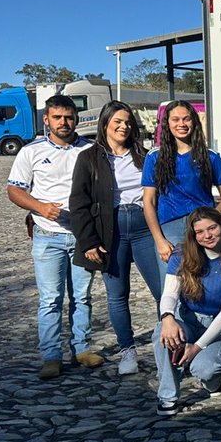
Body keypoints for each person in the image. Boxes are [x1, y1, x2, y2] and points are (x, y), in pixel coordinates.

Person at [7, 94, 103, 379]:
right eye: (58, 117)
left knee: (82, 297)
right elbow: (14, 190)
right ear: (46, 120)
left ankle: (82, 349)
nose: (64, 122)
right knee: (50, 299)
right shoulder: (31, 152)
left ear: (76, 119)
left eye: (69, 117)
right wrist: (39, 207)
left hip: (83, 237)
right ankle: (51, 356)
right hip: (48, 237)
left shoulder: (90, 150)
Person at [70, 101, 164, 376]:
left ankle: (165, 346)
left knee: (163, 291)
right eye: (117, 122)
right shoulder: (88, 158)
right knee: (117, 295)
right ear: (105, 124)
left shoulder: (145, 157)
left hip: (145, 227)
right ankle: (127, 351)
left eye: (127, 122)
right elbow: (78, 203)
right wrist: (88, 241)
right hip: (111, 231)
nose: (123, 126)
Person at [152, 208, 221, 416]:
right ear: (193, 235)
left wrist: (196, 348)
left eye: (212, 228)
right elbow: (169, 294)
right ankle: (168, 396)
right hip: (187, 319)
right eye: (200, 232)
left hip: (218, 324)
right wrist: (168, 318)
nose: (207, 236)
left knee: (204, 369)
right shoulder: (181, 255)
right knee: (162, 332)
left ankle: (215, 381)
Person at [143, 100, 221, 268]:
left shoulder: (210, 156)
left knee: (208, 281)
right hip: (170, 228)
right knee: (172, 288)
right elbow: (149, 202)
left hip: (203, 227)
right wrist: (159, 240)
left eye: (186, 119)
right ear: (167, 123)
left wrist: (209, 221)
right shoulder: (154, 157)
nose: (181, 124)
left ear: (194, 121)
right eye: (175, 119)